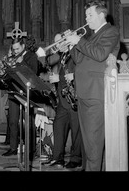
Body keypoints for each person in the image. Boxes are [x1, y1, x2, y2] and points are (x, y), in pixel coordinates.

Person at [66, 1, 120, 171]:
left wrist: (79, 40)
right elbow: (79, 60)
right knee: (88, 144)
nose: (86, 18)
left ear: (101, 15)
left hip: (96, 93)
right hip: (84, 93)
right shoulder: (90, 36)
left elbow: (100, 54)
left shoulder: (110, 31)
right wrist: (71, 45)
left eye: (90, 15)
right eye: (86, 15)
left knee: (94, 145)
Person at [45, 33, 83, 170]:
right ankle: (57, 158)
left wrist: (59, 79)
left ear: (66, 41)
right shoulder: (63, 56)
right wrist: (57, 78)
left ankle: (76, 159)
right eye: (55, 43)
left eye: (59, 42)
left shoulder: (76, 52)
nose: (56, 46)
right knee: (58, 127)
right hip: (63, 99)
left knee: (76, 131)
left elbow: (81, 71)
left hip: (74, 99)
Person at [2, 36, 40, 161]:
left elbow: (33, 73)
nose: (15, 51)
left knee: (28, 123)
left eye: (17, 49)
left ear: (23, 46)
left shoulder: (31, 56)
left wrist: (21, 61)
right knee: (13, 121)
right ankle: (13, 147)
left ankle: (31, 150)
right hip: (13, 91)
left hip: (26, 93)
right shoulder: (13, 56)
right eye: (13, 49)